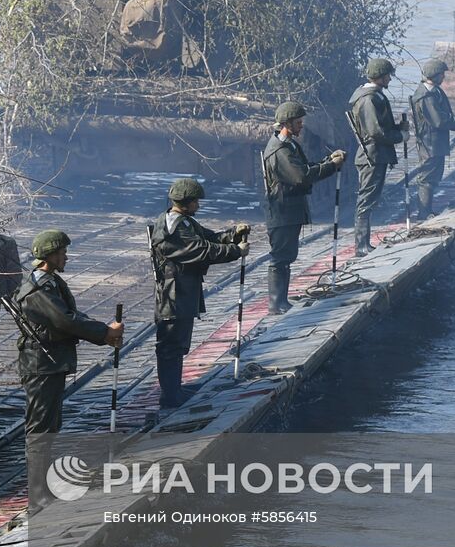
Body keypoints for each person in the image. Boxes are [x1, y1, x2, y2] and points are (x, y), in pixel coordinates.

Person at [12, 230, 124, 436]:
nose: (66, 257)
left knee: (50, 424)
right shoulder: (39, 290)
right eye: (63, 253)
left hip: (49, 363)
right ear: (50, 256)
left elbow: (71, 314)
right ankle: (38, 460)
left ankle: (43, 459)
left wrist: (105, 334)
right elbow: (65, 320)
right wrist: (105, 332)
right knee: (41, 428)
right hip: (41, 365)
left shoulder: (50, 281)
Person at [149, 178, 248, 408]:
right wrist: (235, 251)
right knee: (170, 346)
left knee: (178, 344)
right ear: (186, 202)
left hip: (183, 292)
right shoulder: (174, 228)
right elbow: (201, 250)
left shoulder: (184, 222)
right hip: (173, 295)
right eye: (196, 201)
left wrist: (233, 234)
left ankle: (175, 389)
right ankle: (170, 396)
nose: (198, 205)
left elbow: (209, 238)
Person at [261, 103, 345, 313]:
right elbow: (301, 177)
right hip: (282, 211)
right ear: (287, 124)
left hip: (289, 209)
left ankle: (282, 302)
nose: (301, 126)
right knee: (280, 257)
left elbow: (305, 168)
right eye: (298, 122)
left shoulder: (289, 145)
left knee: (287, 255)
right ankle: (276, 304)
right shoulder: (280, 150)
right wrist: (331, 166)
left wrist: (327, 161)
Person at [347, 58, 407, 256]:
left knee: (370, 199)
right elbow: (375, 131)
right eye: (387, 75)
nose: (390, 78)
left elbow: (380, 127)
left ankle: (364, 244)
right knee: (366, 200)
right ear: (380, 77)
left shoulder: (375, 96)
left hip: (376, 154)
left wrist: (398, 128)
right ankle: (361, 246)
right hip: (372, 155)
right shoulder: (369, 99)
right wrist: (399, 136)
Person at [408, 59, 455, 219]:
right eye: (441, 74)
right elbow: (439, 121)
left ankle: (426, 211)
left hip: (435, 141)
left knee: (434, 176)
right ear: (434, 75)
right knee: (428, 178)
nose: (443, 77)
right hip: (429, 142)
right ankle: (424, 213)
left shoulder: (434, 91)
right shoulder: (426, 96)